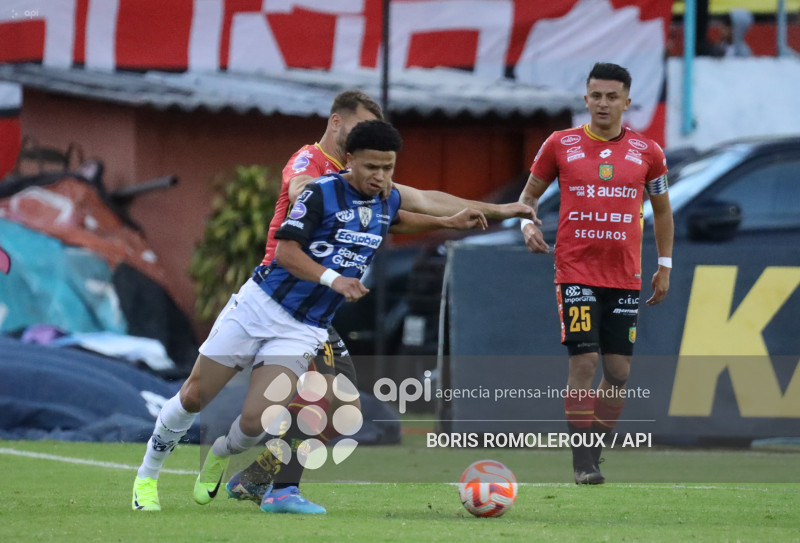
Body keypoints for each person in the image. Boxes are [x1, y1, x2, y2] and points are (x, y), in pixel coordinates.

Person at [131, 120, 488, 511]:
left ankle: (220, 453)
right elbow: (285, 251)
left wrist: (446, 222)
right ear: (349, 160)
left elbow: (397, 220)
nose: (381, 176)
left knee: (255, 422)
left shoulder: (384, 199)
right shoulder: (319, 193)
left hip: (303, 329)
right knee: (195, 395)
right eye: (372, 167)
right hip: (259, 306)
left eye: (388, 168)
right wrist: (335, 280)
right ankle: (147, 477)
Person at [214, 90, 537, 514]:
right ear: (336, 125)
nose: (369, 142)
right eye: (358, 129)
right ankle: (274, 486)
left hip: (317, 310)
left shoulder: (369, 175)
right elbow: (299, 190)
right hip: (284, 299)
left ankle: (259, 479)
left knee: (338, 404)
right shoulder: (313, 166)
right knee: (322, 400)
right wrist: (334, 198)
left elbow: (424, 199)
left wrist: (502, 210)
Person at [517, 62, 673, 484]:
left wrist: (665, 265)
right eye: (595, 96)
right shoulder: (560, 144)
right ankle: (582, 463)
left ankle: (593, 449)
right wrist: (527, 224)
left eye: (611, 96)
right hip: (575, 271)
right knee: (584, 362)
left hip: (625, 276)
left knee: (619, 373)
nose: (602, 103)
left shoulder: (649, 153)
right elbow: (528, 196)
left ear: (626, 100)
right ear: (585, 99)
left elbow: (662, 211)